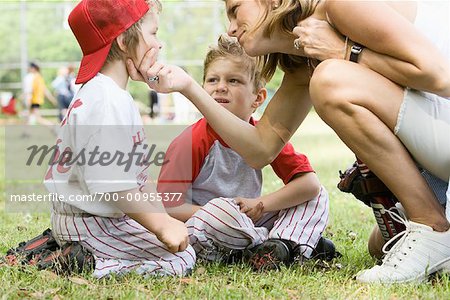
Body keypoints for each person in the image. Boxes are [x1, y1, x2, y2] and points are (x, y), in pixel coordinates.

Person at [127, 0, 450, 283]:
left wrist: (343, 53)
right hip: (436, 140)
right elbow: (259, 149)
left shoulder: (338, 6)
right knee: (380, 245)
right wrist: (188, 87)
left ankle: (431, 225)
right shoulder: (304, 63)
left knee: (330, 80)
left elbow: (440, 76)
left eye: (235, 10)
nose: (230, 29)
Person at [43, 0, 195, 278]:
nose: (158, 44)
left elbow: (139, 179)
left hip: (91, 219)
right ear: (124, 41)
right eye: (153, 33)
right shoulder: (106, 99)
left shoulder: (109, 94)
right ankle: (83, 262)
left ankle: (71, 250)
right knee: (180, 259)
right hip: (91, 224)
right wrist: (161, 226)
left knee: (183, 239)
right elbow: (112, 185)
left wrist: (165, 218)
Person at [158, 35, 335, 271]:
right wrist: (230, 213)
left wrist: (259, 203)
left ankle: (278, 246)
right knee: (222, 213)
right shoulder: (193, 140)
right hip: (205, 226)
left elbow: (308, 185)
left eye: (233, 80)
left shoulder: (262, 136)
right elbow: (166, 205)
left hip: (249, 216)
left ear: (258, 98)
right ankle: (290, 244)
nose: (221, 86)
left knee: (317, 195)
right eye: (212, 80)